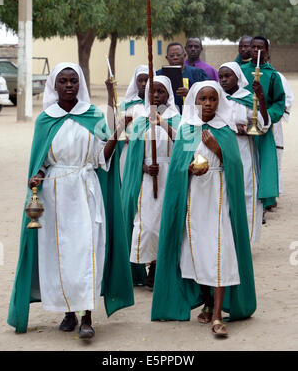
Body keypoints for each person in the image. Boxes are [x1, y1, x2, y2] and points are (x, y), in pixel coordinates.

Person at [8, 63, 134, 338]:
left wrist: (117, 132)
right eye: (63, 81)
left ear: (81, 84)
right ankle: (68, 311)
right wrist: (36, 176)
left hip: (86, 190)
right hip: (55, 197)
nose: (68, 86)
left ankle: (87, 315)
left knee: (87, 250)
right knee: (61, 254)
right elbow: (41, 161)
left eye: (73, 81)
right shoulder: (46, 119)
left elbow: (101, 158)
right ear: (55, 85)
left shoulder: (93, 115)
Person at [151, 81, 256, 337]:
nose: (207, 104)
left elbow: (234, 167)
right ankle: (208, 300)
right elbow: (179, 167)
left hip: (219, 198)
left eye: (212, 99)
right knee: (197, 250)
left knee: (220, 249)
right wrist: (188, 168)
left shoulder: (225, 130)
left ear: (219, 101)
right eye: (202, 99)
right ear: (194, 102)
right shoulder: (188, 130)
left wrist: (217, 150)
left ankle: (218, 315)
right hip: (195, 198)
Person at [121, 76, 181, 289]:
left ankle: (158, 267)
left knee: (166, 223)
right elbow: (131, 157)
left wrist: (163, 124)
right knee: (147, 226)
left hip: (171, 177)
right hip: (147, 179)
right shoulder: (140, 121)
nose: (156, 95)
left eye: (161, 91)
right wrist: (144, 167)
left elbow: (186, 147)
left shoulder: (178, 119)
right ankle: (147, 264)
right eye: (152, 92)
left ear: (168, 95)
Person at [218, 62, 270, 241]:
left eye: (228, 76)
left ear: (238, 77)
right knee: (223, 193)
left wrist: (261, 99)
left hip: (243, 151)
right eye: (221, 77)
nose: (224, 80)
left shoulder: (248, 98)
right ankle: (226, 239)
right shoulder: (215, 97)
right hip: (220, 152)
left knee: (246, 191)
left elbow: (262, 126)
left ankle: (244, 240)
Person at [241, 36, 285, 212]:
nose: (256, 51)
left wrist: (265, 116)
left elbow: (279, 102)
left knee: (262, 163)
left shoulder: (272, 75)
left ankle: (263, 201)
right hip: (242, 125)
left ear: (266, 51)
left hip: (262, 126)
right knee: (246, 163)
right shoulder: (241, 70)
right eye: (253, 47)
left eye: (260, 48)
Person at [105, 65, 155, 180]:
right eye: (140, 80)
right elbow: (112, 127)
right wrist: (110, 95)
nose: (143, 84)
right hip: (129, 152)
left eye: (147, 80)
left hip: (150, 152)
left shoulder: (157, 105)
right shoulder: (127, 105)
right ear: (135, 82)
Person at [265, 55, 294, 199]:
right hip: (252, 123)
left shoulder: (278, 77)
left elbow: (287, 99)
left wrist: (271, 113)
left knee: (275, 157)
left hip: (273, 123)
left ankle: (272, 194)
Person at [156, 42, 208, 113]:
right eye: (171, 56)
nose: (175, 58)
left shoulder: (197, 73)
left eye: (178, 55)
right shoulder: (159, 75)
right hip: (165, 114)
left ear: (184, 55)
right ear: (167, 58)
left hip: (192, 114)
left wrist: (190, 94)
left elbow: (208, 94)